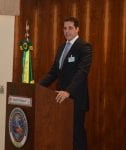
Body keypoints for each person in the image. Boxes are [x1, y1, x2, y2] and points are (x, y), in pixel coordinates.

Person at [39, 17, 92, 150]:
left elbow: (82, 73)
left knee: (76, 136)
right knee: (62, 135)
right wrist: (36, 87)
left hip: (75, 100)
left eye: (70, 28)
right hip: (59, 100)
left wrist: (68, 91)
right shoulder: (62, 47)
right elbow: (53, 72)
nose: (67, 31)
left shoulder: (84, 47)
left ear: (77, 29)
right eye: (64, 28)